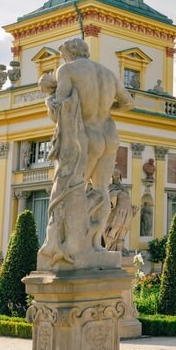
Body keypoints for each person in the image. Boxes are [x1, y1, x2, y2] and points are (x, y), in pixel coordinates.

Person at [38, 38, 134, 268]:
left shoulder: (68, 70)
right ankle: (96, 246)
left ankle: (72, 247)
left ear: (70, 53)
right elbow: (128, 103)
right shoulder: (109, 74)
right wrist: (105, 107)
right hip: (109, 135)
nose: (63, 60)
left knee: (73, 188)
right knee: (101, 190)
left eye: (64, 55)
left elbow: (60, 113)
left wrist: (47, 93)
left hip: (87, 137)